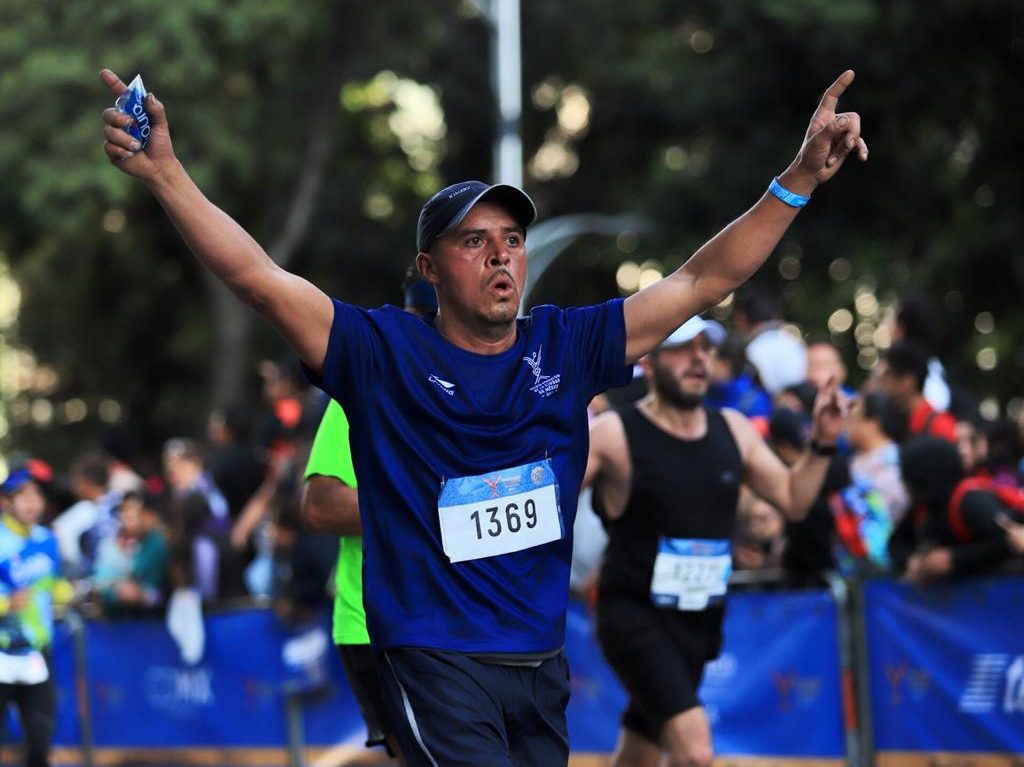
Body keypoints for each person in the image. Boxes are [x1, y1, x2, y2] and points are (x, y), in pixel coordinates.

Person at [100, 66, 866, 766]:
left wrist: (797, 179)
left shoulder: (569, 344)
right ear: (429, 269)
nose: (502, 258)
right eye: (475, 243)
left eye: (512, 241)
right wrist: (166, 173)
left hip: (539, 661)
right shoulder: (379, 350)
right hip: (431, 655)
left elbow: (702, 281)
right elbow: (260, 279)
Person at [583, 316, 847, 767]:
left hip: (699, 618)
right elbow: (547, 495)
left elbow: (793, 499)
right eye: (684, 348)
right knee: (695, 751)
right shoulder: (613, 434)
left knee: (641, 748)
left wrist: (822, 443)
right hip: (633, 615)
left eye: (706, 349)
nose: (698, 359)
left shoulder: (734, 429)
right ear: (649, 359)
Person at [300, 267, 437, 763]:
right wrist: (432, 505)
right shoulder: (365, 391)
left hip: (464, 621)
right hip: (378, 626)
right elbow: (319, 507)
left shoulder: (491, 393)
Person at [0, 463, 72, 767]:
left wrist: (74, 593)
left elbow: (53, 587)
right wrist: (5, 604)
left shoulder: (47, 539)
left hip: (37, 653)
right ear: (5, 502)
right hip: (2, 651)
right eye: (23, 495)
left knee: (40, 742)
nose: (32, 502)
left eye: (37, 495)